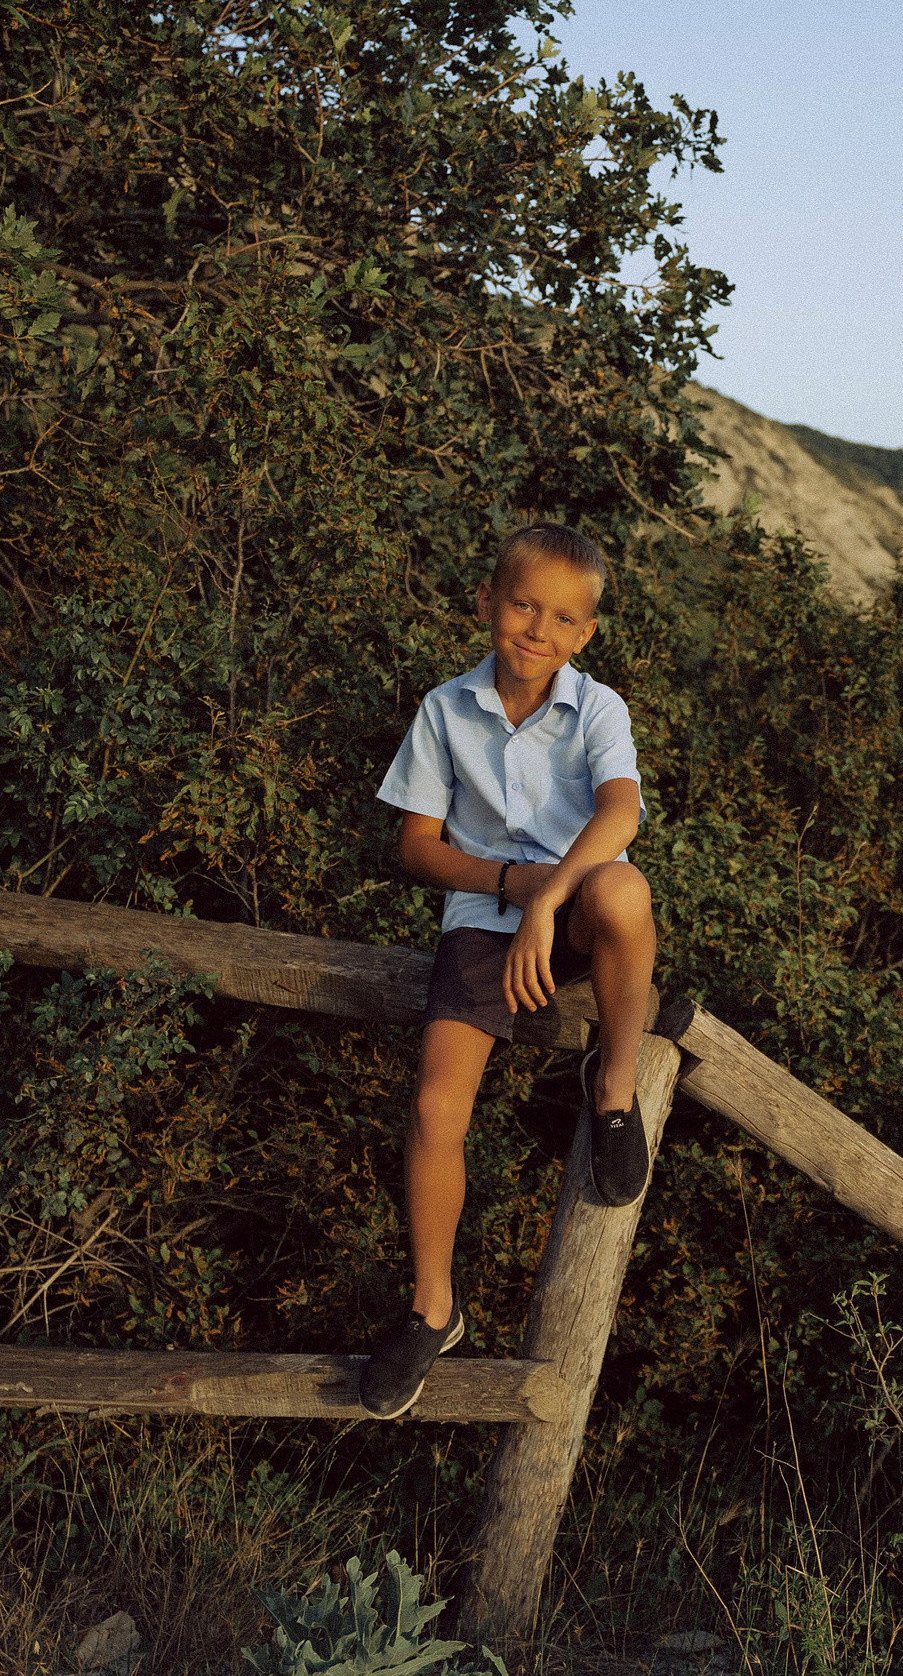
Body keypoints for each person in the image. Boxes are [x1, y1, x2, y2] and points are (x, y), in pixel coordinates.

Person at [357, 521, 659, 1420]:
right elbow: (416, 847)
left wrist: (549, 896)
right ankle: (432, 1308)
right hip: (484, 921)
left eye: (561, 618)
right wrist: (507, 884)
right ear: (488, 602)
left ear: (583, 636)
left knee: (625, 894)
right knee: (434, 1105)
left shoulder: (598, 708)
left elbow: (622, 813)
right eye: (522, 604)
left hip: (569, 911)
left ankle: (612, 1086)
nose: (536, 629)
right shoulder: (446, 710)